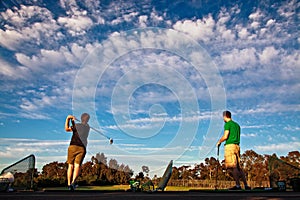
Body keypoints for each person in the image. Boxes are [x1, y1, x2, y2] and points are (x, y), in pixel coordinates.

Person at [216, 111, 250, 190]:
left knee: (232, 167)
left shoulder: (228, 124)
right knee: (238, 167)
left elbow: (225, 136)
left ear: (225, 116)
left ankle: (237, 185)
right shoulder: (237, 125)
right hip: (237, 146)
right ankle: (246, 185)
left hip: (230, 146)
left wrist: (219, 142)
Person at [65, 113, 90, 191]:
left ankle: (69, 184)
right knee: (77, 166)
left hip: (72, 146)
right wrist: (73, 122)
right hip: (81, 148)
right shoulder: (88, 127)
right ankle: (73, 183)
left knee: (70, 166)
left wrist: (68, 119)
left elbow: (66, 129)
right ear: (87, 120)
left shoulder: (77, 126)